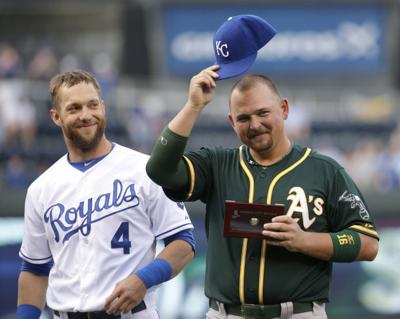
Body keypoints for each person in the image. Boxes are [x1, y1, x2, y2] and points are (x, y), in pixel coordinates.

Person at [145, 65, 379, 319]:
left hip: (298, 312)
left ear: (284, 109)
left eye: (263, 113)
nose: (255, 125)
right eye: (244, 118)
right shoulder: (217, 164)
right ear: (232, 122)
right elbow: (159, 170)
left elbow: (367, 243)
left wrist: (304, 240)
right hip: (227, 313)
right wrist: (193, 106)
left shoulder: (324, 170)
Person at [17, 69, 195, 319]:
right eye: (74, 108)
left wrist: (143, 280)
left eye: (92, 105)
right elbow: (34, 270)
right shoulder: (41, 189)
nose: (86, 115)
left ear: (103, 106)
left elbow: (184, 242)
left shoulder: (145, 170)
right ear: (56, 117)